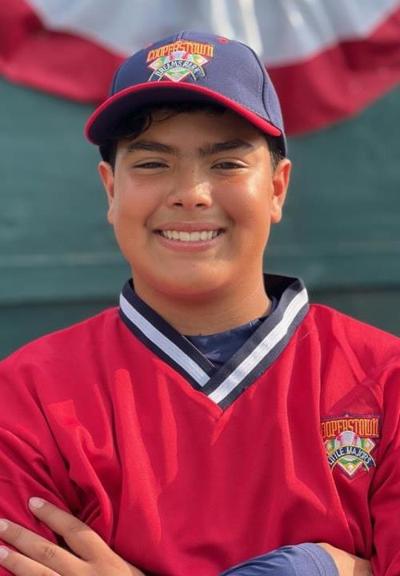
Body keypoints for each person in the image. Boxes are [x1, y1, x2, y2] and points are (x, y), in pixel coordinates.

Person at [0, 30, 398, 576]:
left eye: (227, 164)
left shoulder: (385, 380)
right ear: (110, 190)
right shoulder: (26, 398)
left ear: (277, 188)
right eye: (152, 164)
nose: (191, 193)